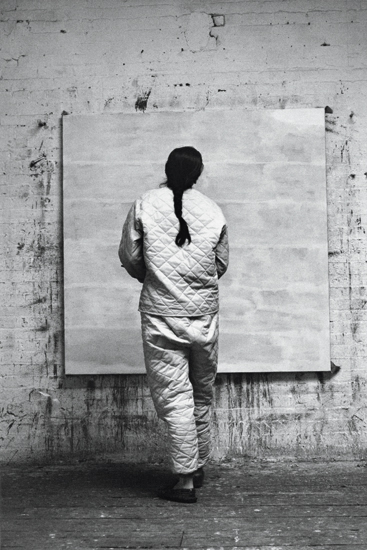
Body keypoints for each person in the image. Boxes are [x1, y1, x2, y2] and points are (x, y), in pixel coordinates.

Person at [119, 146, 229, 503]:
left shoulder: (145, 203)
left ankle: (184, 480)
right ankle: (197, 467)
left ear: (167, 169)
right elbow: (221, 264)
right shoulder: (212, 209)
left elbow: (130, 256)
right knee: (201, 393)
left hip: (161, 315)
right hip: (204, 316)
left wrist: (154, 279)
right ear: (198, 173)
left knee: (174, 397)